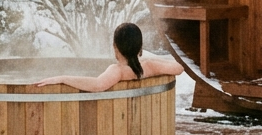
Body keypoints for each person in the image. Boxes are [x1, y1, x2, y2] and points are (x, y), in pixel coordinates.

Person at [34, 22, 183, 91]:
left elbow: (97, 85)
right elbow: (179, 68)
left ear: (115, 47)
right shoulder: (149, 67)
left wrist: (62, 78)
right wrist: (148, 58)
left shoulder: (117, 70)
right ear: (140, 47)